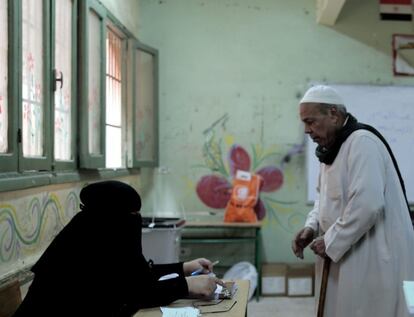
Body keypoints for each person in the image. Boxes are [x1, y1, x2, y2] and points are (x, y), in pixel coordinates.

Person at [13, 180, 223, 317]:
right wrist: (186, 285)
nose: (135, 222)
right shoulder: (86, 245)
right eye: (131, 216)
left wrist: (184, 267)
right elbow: (136, 292)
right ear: (111, 217)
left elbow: (135, 276)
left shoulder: (92, 228)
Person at [291, 85, 414, 317]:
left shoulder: (362, 142)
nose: (307, 130)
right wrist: (311, 226)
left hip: (374, 255)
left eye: (311, 121)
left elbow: (368, 204)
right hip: (346, 252)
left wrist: (331, 239)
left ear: (334, 114)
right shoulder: (330, 149)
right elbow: (324, 198)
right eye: (304, 123)